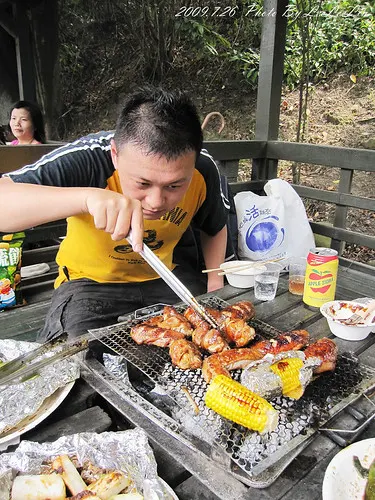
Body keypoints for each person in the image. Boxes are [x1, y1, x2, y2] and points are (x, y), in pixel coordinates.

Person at [0, 86, 229, 341]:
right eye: (142, 183)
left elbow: (214, 226)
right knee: (74, 355)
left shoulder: (203, 170)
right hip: (89, 286)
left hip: (163, 278)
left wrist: (215, 282)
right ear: (115, 155)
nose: (155, 201)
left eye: (174, 186)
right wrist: (86, 198)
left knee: (206, 340)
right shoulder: (88, 159)